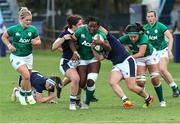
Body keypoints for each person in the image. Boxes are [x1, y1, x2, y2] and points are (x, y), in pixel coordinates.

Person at [91, 26, 154, 109]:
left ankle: (148, 98)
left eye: (98, 40)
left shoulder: (111, 40)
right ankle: (126, 100)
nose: (97, 41)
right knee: (112, 82)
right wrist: (93, 49)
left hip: (127, 62)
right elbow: (100, 58)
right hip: (117, 65)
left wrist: (95, 25)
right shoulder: (101, 48)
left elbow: (104, 31)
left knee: (131, 87)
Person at [119, 23, 166, 107]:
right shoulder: (126, 37)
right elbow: (115, 43)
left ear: (139, 34)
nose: (133, 39)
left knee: (155, 79)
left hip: (150, 56)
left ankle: (162, 101)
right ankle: (147, 99)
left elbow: (141, 53)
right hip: (138, 58)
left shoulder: (144, 37)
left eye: (135, 37)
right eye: (131, 37)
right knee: (140, 82)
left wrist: (127, 57)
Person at [1, 7, 41, 105]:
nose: (29, 22)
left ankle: (20, 94)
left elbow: (39, 41)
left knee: (26, 78)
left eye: (30, 20)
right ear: (21, 19)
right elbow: (4, 37)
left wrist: (35, 42)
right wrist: (9, 45)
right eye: (26, 20)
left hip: (28, 57)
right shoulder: (14, 29)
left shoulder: (33, 29)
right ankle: (28, 95)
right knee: (26, 75)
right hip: (16, 57)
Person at [70, 16, 111, 109]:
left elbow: (109, 48)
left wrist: (101, 43)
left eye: (94, 26)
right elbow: (71, 41)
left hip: (94, 60)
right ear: (87, 25)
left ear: (98, 26)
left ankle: (86, 103)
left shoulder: (101, 35)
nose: (92, 28)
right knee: (81, 83)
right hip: (82, 60)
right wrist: (75, 52)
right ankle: (89, 93)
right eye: (90, 26)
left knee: (90, 81)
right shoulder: (81, 31)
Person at [144, 10, 180, 97]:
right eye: (148, 17)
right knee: (160, 72)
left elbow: (170, 37)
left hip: (163, 50)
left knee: (162, 69)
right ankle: (175, 88)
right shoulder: (145, 28)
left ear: (155, 17)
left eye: (152, 16)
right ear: (146, 18)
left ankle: (175, 88)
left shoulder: (160, 26)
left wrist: (169, 50)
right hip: (153, 53)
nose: (150, 18)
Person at [52, 15, 83, 110]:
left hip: (80, 63)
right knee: (76, 78)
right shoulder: (65, 34)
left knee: (82, 81)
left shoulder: (82, 33)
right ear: (73, 26)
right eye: (80, 24)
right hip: (66, 63)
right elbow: (53, 47)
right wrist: (63, 39)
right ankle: (72, 103)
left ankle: (62, 87)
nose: (82, 25)